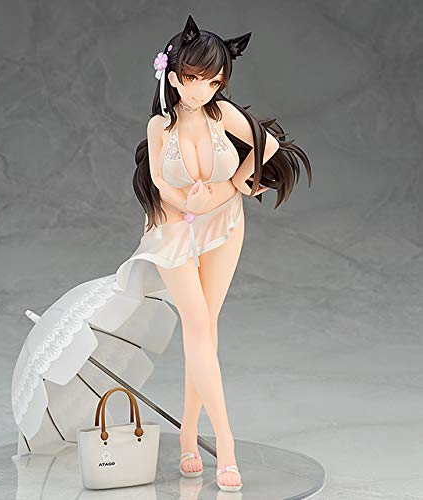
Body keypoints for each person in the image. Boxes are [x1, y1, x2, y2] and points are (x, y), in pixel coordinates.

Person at [112, 14, 312, 492]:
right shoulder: (160, 127)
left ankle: (188, 438)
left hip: (224, 227)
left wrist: (232, 185)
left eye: (213, 81)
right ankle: (226, 445)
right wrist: (190, 202)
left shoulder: (224, 116)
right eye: (193, 78)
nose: (201, 90)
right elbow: (159, 182)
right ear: (172, 74)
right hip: (173, 231)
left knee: (205, 334)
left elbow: (268, 146)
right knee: (198, 328)